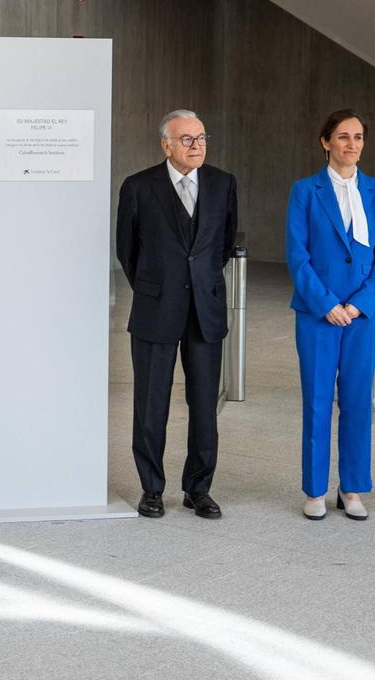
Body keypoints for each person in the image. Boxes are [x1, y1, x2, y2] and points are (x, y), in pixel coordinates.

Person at [116, 109, 237, 520]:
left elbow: (220, 247)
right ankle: (152, 488)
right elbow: (127, 250)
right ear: (166, 144)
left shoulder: (223, 184)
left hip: (205, 308)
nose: (196, 145)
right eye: (186, 139)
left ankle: (198, 489)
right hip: (156, 307)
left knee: (204, 404)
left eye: (202, 137)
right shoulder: (138, 187)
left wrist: (200, 283)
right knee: (151, 404)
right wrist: (155, 287)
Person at [285, 110, 375, 521]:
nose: (352, 144)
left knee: (356, 401)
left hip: (362, 315)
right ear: (325, 141)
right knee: (316, 399)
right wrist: (327, 303)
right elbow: (298, 255)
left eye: (359, 137)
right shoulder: (305, 190)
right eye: (343, 136)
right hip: (318, 313)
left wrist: (360, 302)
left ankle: (352, 487)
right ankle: (315, 488)